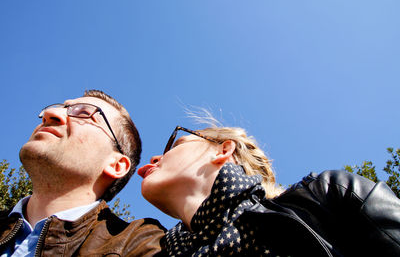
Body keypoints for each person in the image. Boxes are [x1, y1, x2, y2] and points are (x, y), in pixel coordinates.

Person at [138, 125, 400, 256]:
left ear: (223, 150)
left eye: (177, 142)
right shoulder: (157, 251)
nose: (154, 158)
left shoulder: (328, 196)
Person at [0, 90, 165, 256]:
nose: (50, 114)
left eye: (85, 113)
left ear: (116, 165)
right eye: (60, 108)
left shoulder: (141, 243)